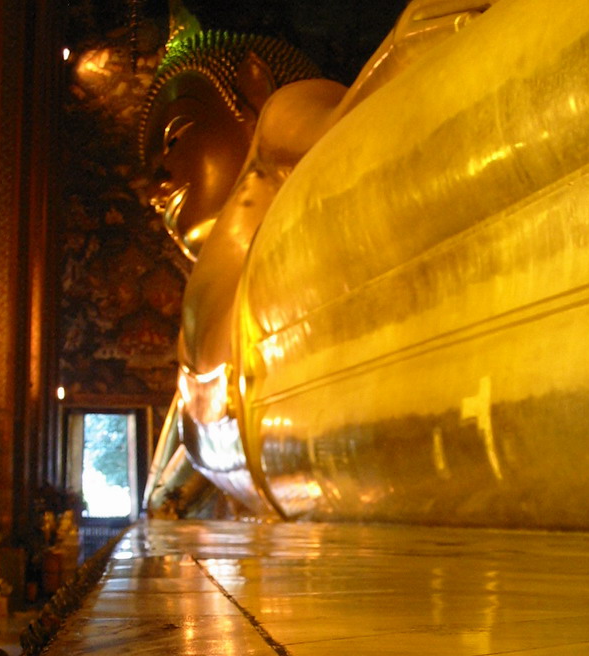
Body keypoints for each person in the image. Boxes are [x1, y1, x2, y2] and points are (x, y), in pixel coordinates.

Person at [140, 2, 495, 512]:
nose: (157, 185)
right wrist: (160, 501)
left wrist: (408, 44)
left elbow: (353, 126)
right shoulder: (208, 310)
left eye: (176, 137)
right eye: (152, 167)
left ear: (251, 86)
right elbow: (193, 439)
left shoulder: (279, 117)